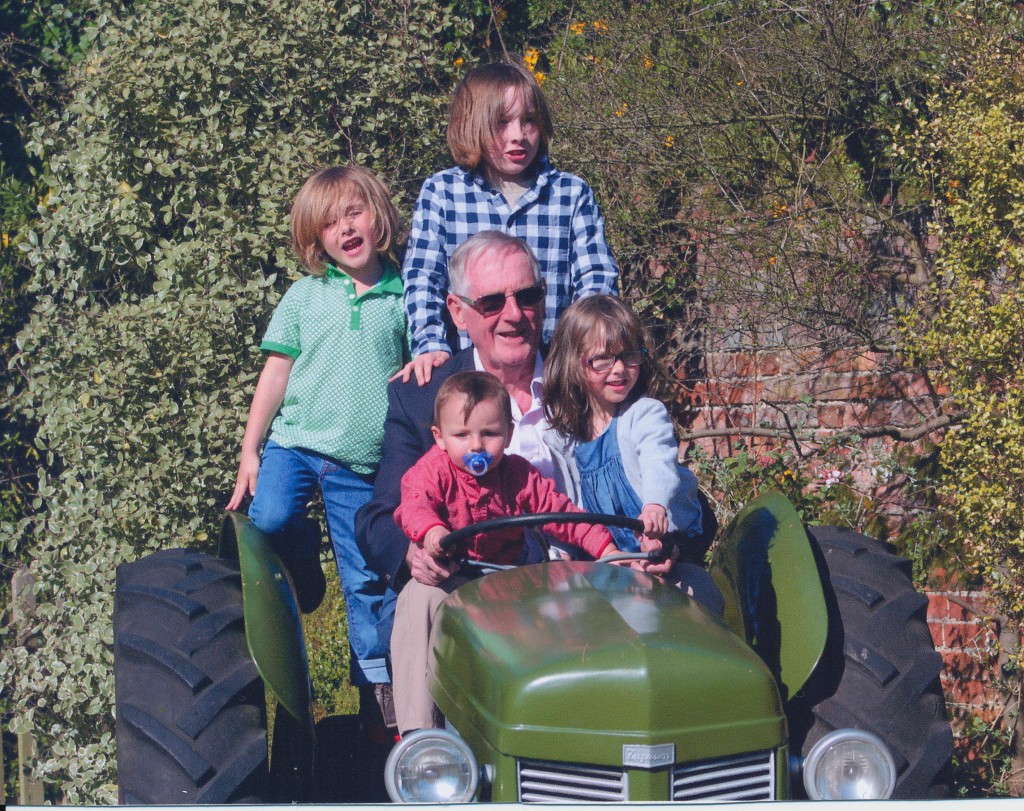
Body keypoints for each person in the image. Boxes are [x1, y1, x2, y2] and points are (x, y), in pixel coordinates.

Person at [226, 165, 406, 717]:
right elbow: (276, 374)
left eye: (354, 212)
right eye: (329, 223)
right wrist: (250, 448)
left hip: (360, 464)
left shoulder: (404, 294)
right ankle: (303, 570)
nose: (345, 228)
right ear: (316, 240)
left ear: (377, 216)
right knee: (272, 518)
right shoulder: (306, 296)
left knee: (368, 580)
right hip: (296, 445)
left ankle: (378, 697)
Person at [391, 370, 630, 733]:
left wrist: (607, 547)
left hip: (511, 579)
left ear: (509, 433)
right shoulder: (433, 471)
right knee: (416, 597)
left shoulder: (518, 474)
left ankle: (556, 717)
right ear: (439, 438)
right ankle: (418, 732)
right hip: (455, 577)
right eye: (461, 435)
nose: (476, 446)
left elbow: (562, 514)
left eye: (489, 433)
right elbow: (413, 504)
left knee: (569, 593)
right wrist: (433, 531)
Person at [401, 60, 619, 384]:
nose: (518, 136)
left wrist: (589, 348)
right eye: (502, 123)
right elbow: (423, 279)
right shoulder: (443, 193)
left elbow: (595, 281)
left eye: (529, 121)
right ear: (472, 125)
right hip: (469, 377)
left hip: (553, 375)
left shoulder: (569, 194)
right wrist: (431, 345)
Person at [543, 295, 723, 613]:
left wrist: (655, 508)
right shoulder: (562, 441)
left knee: (696, 598)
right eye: (603, 359)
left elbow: (658, 461)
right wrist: (562, 554)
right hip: (605, 561)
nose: (620, 369)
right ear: (574, 363)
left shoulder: (644, 415)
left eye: (629, 356)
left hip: (661, 539)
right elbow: (563, 506)